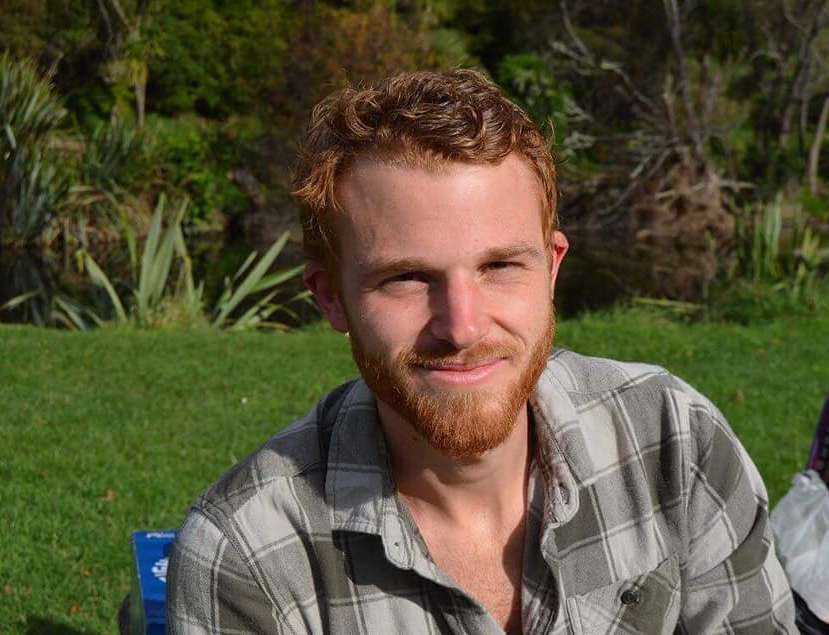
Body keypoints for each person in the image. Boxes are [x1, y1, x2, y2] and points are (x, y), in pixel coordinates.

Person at [167, 69, 797, 634]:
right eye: (407, 277)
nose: (463, 328)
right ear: (330, 299)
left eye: (500, 265)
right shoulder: (249, 558)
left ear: (551, 270)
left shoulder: (675, 443)